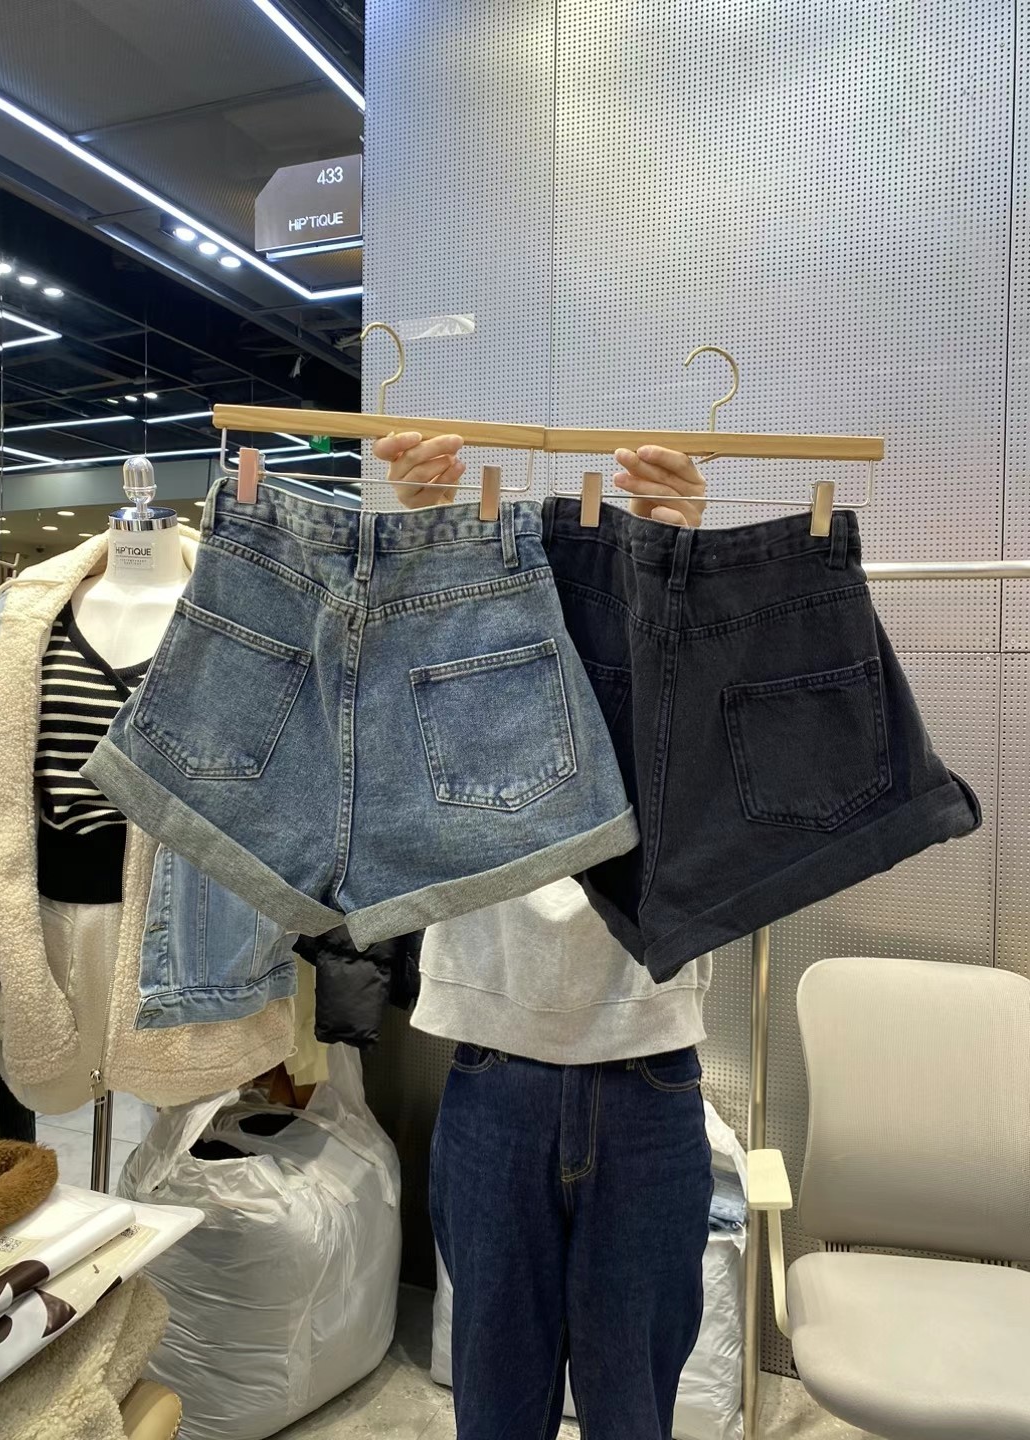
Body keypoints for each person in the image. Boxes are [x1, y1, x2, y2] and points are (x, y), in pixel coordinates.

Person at [378, 433, 715, 1440]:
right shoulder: (462, 617)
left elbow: (724, 790)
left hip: (644, 1063)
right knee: (494, 1409)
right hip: (498, 1064)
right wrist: (428, 540)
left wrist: (681, 564)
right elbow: (384, 749)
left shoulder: (673, 629)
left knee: (631, 1413)